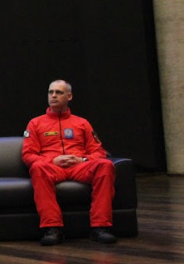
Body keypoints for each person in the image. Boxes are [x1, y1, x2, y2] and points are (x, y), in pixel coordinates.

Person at [22, 80, 117, 246]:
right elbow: (28, 154)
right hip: (52, 167)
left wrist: (83, 159)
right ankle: (52, 228)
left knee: (105, 165)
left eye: (58, 92)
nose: (53, 96)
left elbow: (99, 152)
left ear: (69, 96)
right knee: (37, 167)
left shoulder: (82, 123)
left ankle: (100, 227)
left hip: (79, 166)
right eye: (51, 92)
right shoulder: (35, 123)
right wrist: (52, 160)